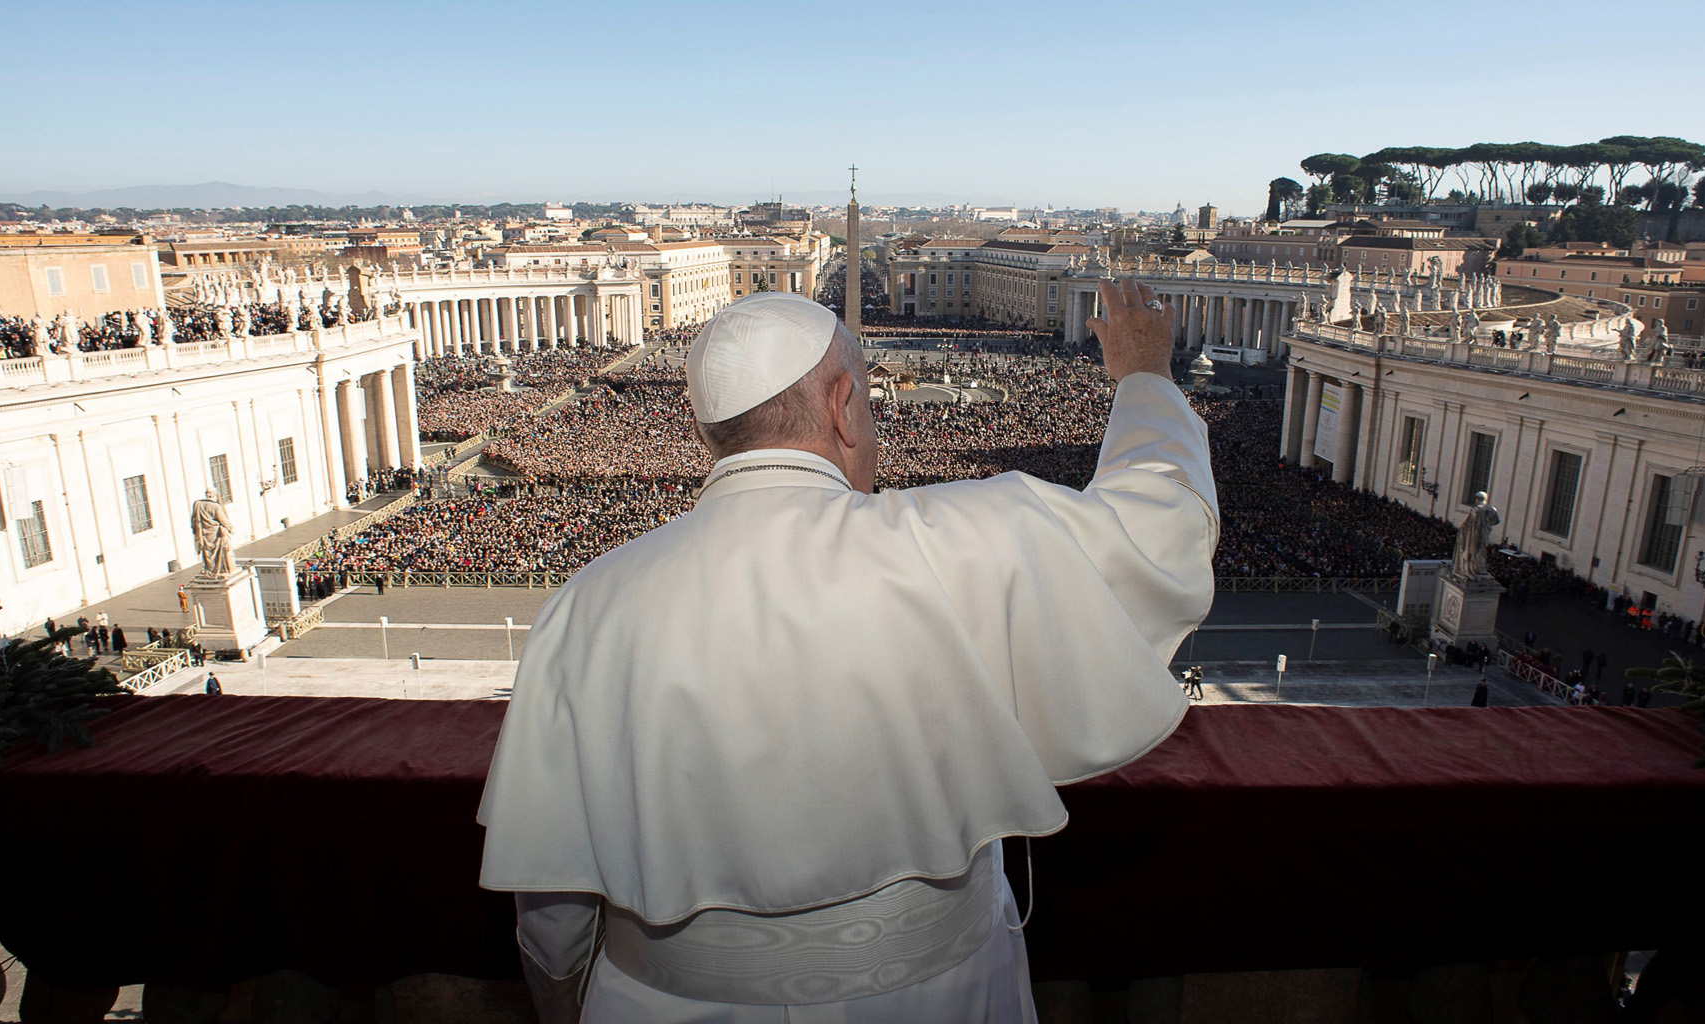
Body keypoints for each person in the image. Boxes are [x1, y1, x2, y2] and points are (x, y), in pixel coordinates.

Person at [479, 283, 1218, 1021]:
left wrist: (567, 1000)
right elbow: (1162, 530)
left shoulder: (583, 606)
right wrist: (1145, 375)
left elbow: (552, 907)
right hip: (941, 999)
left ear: (708, 430)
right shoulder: (961, 542)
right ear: (842, 408)